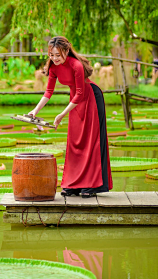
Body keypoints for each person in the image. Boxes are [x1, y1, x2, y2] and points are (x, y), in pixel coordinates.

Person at [28, 36, 113, 198]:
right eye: (51, 55)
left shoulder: (76, 65)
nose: (54, 58)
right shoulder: (53, 67)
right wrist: (35, 111)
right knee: (74, 142)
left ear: (66, 51)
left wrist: (61, 114)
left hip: (91, 98)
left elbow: (81, 93)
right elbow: (48, 92)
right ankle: (73, 184)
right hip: (74, 101)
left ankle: (90, 185)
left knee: (90, 141)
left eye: (57, 55)